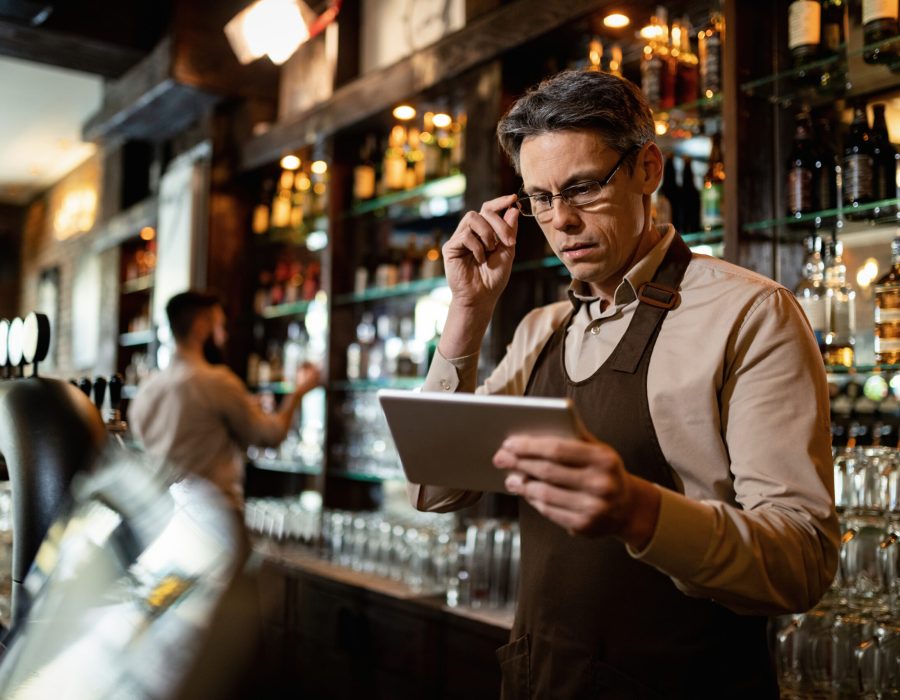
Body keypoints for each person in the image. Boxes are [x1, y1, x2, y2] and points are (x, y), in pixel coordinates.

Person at [408, 70, 839, 698]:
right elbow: (435, 487)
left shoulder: (749, 314)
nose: (562, 222)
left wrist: (638, 511)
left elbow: (801, 563)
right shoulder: (541, 329)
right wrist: (467, 314)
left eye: (582, 187)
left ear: (648, 169)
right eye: (540, 198)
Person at [129, 290, 319, 509]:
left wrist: (243, 406)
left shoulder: (148, 390)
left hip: (168, 515)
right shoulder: (217, 382)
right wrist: (298, 393)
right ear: (201, 326)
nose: (224, 336)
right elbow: (271, 435)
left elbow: (188, 428)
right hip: (214, 518)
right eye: (219, 327)